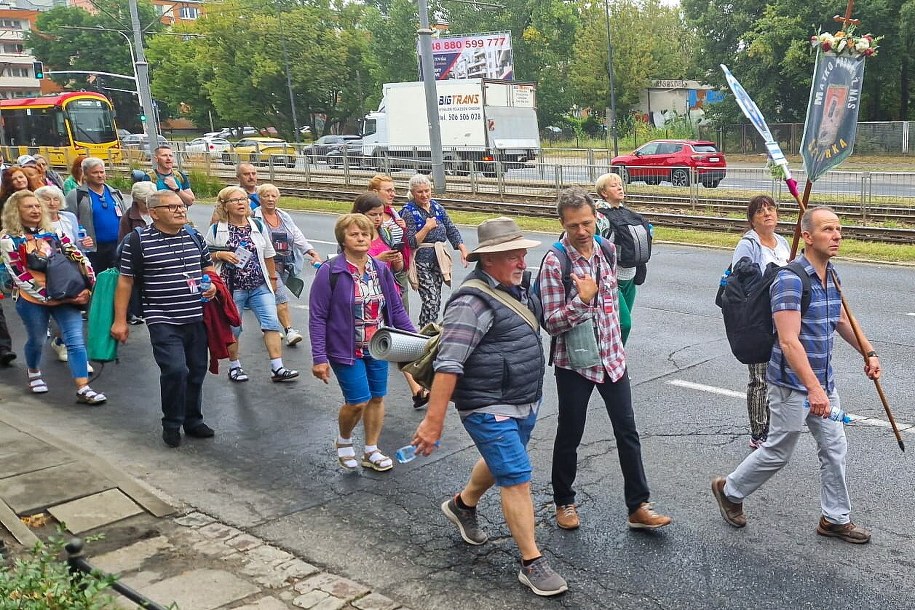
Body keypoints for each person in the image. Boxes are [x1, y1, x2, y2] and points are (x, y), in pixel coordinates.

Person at [412, 217, 568, 597]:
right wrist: (433, 422)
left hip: (522, 400)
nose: (521, 262)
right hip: (486, 405)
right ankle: (532, 562)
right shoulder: (471, 303)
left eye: (522, 254)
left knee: (502, 463)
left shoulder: (518, 289)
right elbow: (449, 364)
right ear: (489, 259)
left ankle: (462, 505)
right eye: (513, 256)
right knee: (516, 475)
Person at [712, 206, 879, 545]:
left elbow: (841, 319)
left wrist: (869, 352)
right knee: (778, 451)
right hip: (792, 386)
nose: (836, 236)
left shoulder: (831, 274)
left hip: (823, 382)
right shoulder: (790, 280)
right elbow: (788, 341)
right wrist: (813, 389)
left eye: (838, 229)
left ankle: (835, 518)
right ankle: (729, 490)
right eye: (827, 229)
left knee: (835, 447)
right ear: (807, 236)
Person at [540, 187, 671, 531]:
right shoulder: (555, 261)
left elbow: (611, 307)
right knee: (570, 433)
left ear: (596, 218)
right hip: (575, 363)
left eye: (586, 223)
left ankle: (638, 506)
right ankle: (564, 501)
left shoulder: (607, 250)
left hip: (613, 358)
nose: (582, 231)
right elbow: (551, 323)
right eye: (573, 226)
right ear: (562, 224)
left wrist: (618, 344)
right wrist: (581, 301)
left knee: (627, 432)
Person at [111, 190, 217, 447]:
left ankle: (193, 420)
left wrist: (212, 284)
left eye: (181, 206)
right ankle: (171, 423)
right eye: (172, 207)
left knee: (196, 371)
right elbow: (125, 282)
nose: (180, 210)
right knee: (175, 370)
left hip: (196, 316)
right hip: (162, 318)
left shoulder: (194, 236)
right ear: (154, 213)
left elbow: (207, 267)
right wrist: (120, 320)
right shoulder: (137, 242)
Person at [310, 213, 415, 472]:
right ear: (343, 239)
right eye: (354, 234)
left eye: (365, 234)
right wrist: (319, 358)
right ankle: (344, 439)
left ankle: (371, 450)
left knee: (377, 398)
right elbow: (318, 316)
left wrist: (417, 341)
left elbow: (396, 309)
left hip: (378, 347)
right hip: (345, 349)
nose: (361, 238)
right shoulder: (330, 271)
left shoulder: (380, 269)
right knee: (357, 401)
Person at [0, 190, 105, 403]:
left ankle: (83, 388)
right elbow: (21, 276)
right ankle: (33, 371)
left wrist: (89, 286)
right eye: (29, 206)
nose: (35, 210)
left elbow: (78, 256)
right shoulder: (8, 239)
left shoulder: (54, 232)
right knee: (37, 339)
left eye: (37, 206)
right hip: (32, 300)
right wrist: (51, 298)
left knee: (75, 340)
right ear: (15, 211)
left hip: (66, 293)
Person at [206, 186, 298, 383]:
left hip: (259, 285)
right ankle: (234, 367)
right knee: (234, 328)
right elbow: (205, 255)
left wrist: (272, 279)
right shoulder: (216, 228)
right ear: (225, 205)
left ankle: (277, 367)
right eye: (235, 200)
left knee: (271, 323)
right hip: (232, 288)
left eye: (243, 199)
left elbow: (268, 254)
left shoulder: (257, 225)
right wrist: (220, 254)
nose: (241, 203)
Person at [351, 192, 429, 409]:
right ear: (360, 213)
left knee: (399, 338)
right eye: (372, 214)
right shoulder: (352, 236)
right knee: (381, 344)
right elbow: (348, 266)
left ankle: (416, 389)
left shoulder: (385, 232)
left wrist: (396, 261)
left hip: (389, 293)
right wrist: (378, 259)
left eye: (379, 214)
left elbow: (398, 269)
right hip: (365, 300)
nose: (377, 218)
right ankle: (365, 394)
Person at [730, 195, 790, 449]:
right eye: (760, 211)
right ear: (752, 219)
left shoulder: (783, 242)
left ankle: (774, 427)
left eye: (771, 209)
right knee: (760, 378)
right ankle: (758, 432)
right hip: (758, 320)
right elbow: (741, 281)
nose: (767, 213)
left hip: (783, 318)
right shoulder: (748, 245)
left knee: (780, 377)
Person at [253, 183, 321, 347]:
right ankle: (290, 331)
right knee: (281, 297)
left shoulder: (283, 216)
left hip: (286, 264)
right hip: (266, 265)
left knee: (269, 297)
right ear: (259, 198)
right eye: (266, 196)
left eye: (273, 196)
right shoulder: (255, 218)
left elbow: (296, 235)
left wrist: (311, 252)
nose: (270, 199)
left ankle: (268, 325)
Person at [35, 185, 94, 365]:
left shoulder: (69, 217)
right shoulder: (37, 222)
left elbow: (76, 244)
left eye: (55, 199)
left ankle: (62, 341)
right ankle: (64, 345)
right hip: (50, 270)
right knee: (59, 305)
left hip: (73, 268)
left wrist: (84, 243)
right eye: (47, 199)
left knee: (74, 306)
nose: (52, 203)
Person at [401, 174, 468, 326]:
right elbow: (411, 242)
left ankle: (428, 330)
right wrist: (427, 227)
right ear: (412, 193)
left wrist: (462, 248)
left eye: (427, 191)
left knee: (436, 300)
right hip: (421, 262)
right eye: (420, 192)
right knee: (430, 300)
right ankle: (425, 331)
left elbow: (451, 229)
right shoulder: (408, 211)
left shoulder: (437, 207)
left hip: (438, 260)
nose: (424, 195)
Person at [594, 172, 648, 345]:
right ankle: (613, 357)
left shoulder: (627, 213)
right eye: (613, 185)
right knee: (624, 324)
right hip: (612, 279)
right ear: (604, 192)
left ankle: (614, 357)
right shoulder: (599, 217)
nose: (619, 188)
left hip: (630, 277)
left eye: (620, 184)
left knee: (617, 325)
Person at [64, 157, 127, 274]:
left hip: (117, 246)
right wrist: (79, 240)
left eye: (102, 172)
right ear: (85, 175)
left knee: (118, 278)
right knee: (96, 279)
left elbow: (125, 217)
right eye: (95, 172)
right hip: (93, 249)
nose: (99, 175)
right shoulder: (76, 195)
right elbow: (68, 222)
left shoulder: (115, 193)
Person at [367, 174, 411, 304]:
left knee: (401, 310)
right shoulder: (363, 221)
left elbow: (402, 239)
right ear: (375, 192)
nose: (393, 194)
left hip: (396, 269)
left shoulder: (392, 212)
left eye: (393, 190)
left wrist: (404, 228)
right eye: (388, 190)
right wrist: (379, 259)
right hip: (376, 276)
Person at [119, 181, 159, 325]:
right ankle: (134, 312)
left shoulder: (159, 211)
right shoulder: (128, 217)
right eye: (144, 202)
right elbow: (123, 241)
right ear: (136, 200)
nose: (148, 205)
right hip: (140, 261)